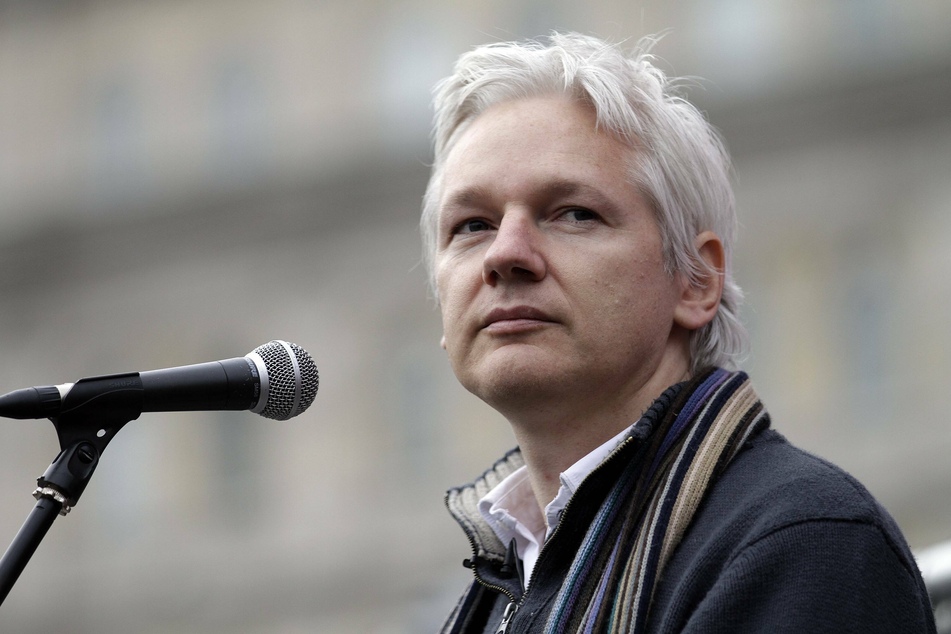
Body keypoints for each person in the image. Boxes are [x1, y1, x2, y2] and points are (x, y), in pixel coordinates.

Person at [420, 32, 936, 633]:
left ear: (696, 280)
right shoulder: (504, 584)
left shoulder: (803, 543)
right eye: (472, 225)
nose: (506, 255)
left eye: (573, 213)